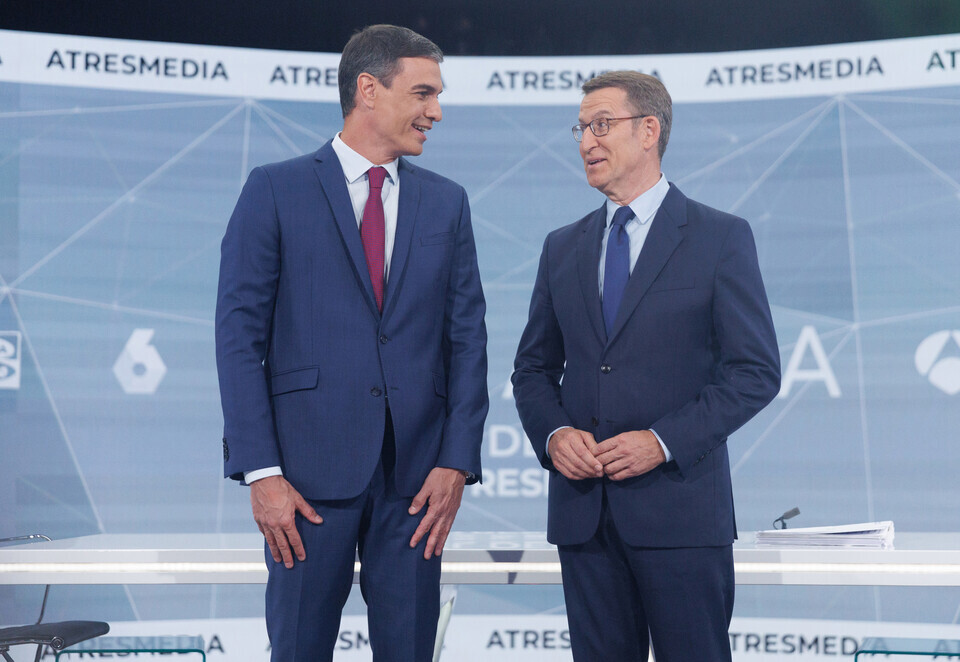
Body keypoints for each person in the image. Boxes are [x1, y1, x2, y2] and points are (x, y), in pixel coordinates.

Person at [215, 25, 488, 662]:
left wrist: (456, 463)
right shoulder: (275, 189)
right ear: (368, 89)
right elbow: (238, 338)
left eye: (438, 95)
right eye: (423, 93)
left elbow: (467, 340)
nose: (436, 111)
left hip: (417, 489)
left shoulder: (447, 203)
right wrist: (263, 473)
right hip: (303, 488)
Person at [511, 71, 781, 661]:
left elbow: (754, 372)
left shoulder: (719, 238)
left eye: (601, 125)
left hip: (681, 516)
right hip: (585, 518)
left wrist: (662, 441)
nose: (587, 141)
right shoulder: (562, 246)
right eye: (581, 128)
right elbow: (531, 370)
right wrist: (554, 435)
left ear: (650, 130)